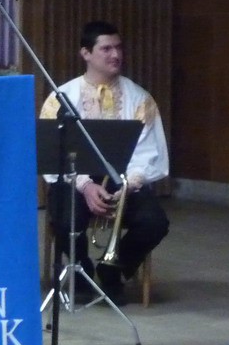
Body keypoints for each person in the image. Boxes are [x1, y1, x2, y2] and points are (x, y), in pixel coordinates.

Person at [39, 20, 169, 307]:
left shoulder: (139, 99)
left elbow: (148, 151)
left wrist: (127, 185)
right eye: (106, 49)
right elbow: (53, 153)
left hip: (124, 182)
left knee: (155, 222)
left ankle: (113, 270)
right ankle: (83, 270)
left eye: (118, 48)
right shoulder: (62, 98)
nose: (115, 55)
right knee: (64, 218)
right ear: (86, 53)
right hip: (77, 181)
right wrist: (85, 185)